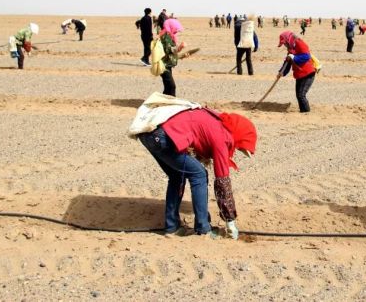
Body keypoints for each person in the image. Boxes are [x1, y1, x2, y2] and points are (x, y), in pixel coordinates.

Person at [131, 98, 257, 238]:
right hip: (164, 137)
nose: (237, 149)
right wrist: (230, 221)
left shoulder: (214, 119)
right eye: (240, 146)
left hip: (149, 134)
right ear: (238, 135)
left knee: (177, 176)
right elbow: (222, 181)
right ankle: (203, 228)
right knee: (200, 175)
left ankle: (172, 227)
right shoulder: (223, 137)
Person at [278, 31, 316, 113]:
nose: (285, 45)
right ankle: (303, 111)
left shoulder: (299, 43)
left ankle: (306, 113)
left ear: (288, 40)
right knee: (299, 95)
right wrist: (281, 72)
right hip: (299, 74)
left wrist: (294, 57)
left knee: (301, 95)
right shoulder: (291, 48)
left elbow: (306, 56)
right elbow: (287, 62)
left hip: (307, 74)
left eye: (285, 43)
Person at [159, 19, 185, 96]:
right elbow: (168, 50)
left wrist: (182, 55)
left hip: (167, 64)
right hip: (163, 65)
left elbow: (171, 53)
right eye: (176, 29)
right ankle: (172, 104)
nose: (176, 31)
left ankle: (165, 102)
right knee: (171, 86)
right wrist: (180, 47)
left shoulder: (170, 36)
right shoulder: (165, 36)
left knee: (167, 87)